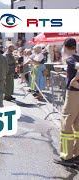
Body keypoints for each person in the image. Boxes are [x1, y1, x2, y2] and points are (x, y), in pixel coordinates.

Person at [53, 38, 79, 167]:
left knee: (66, 123)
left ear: (65, 47)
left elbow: (76, 67)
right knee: (78, 126)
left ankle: (66, 157)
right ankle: (77, 154)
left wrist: (74, 80)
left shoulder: (70, 59)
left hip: (73, 94)